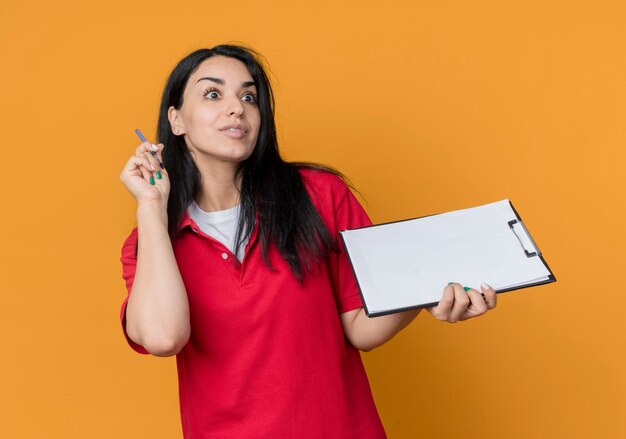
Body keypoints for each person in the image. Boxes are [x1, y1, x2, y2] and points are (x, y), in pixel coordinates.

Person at [119, 44, 497, 439]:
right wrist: (150, 207)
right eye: (213, 94)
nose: (237, 108)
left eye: (249, 97)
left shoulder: (320, 195)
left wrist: (425, 288)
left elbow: (359, 327)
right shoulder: (151, 242)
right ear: (176, 120)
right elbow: (164, 338)